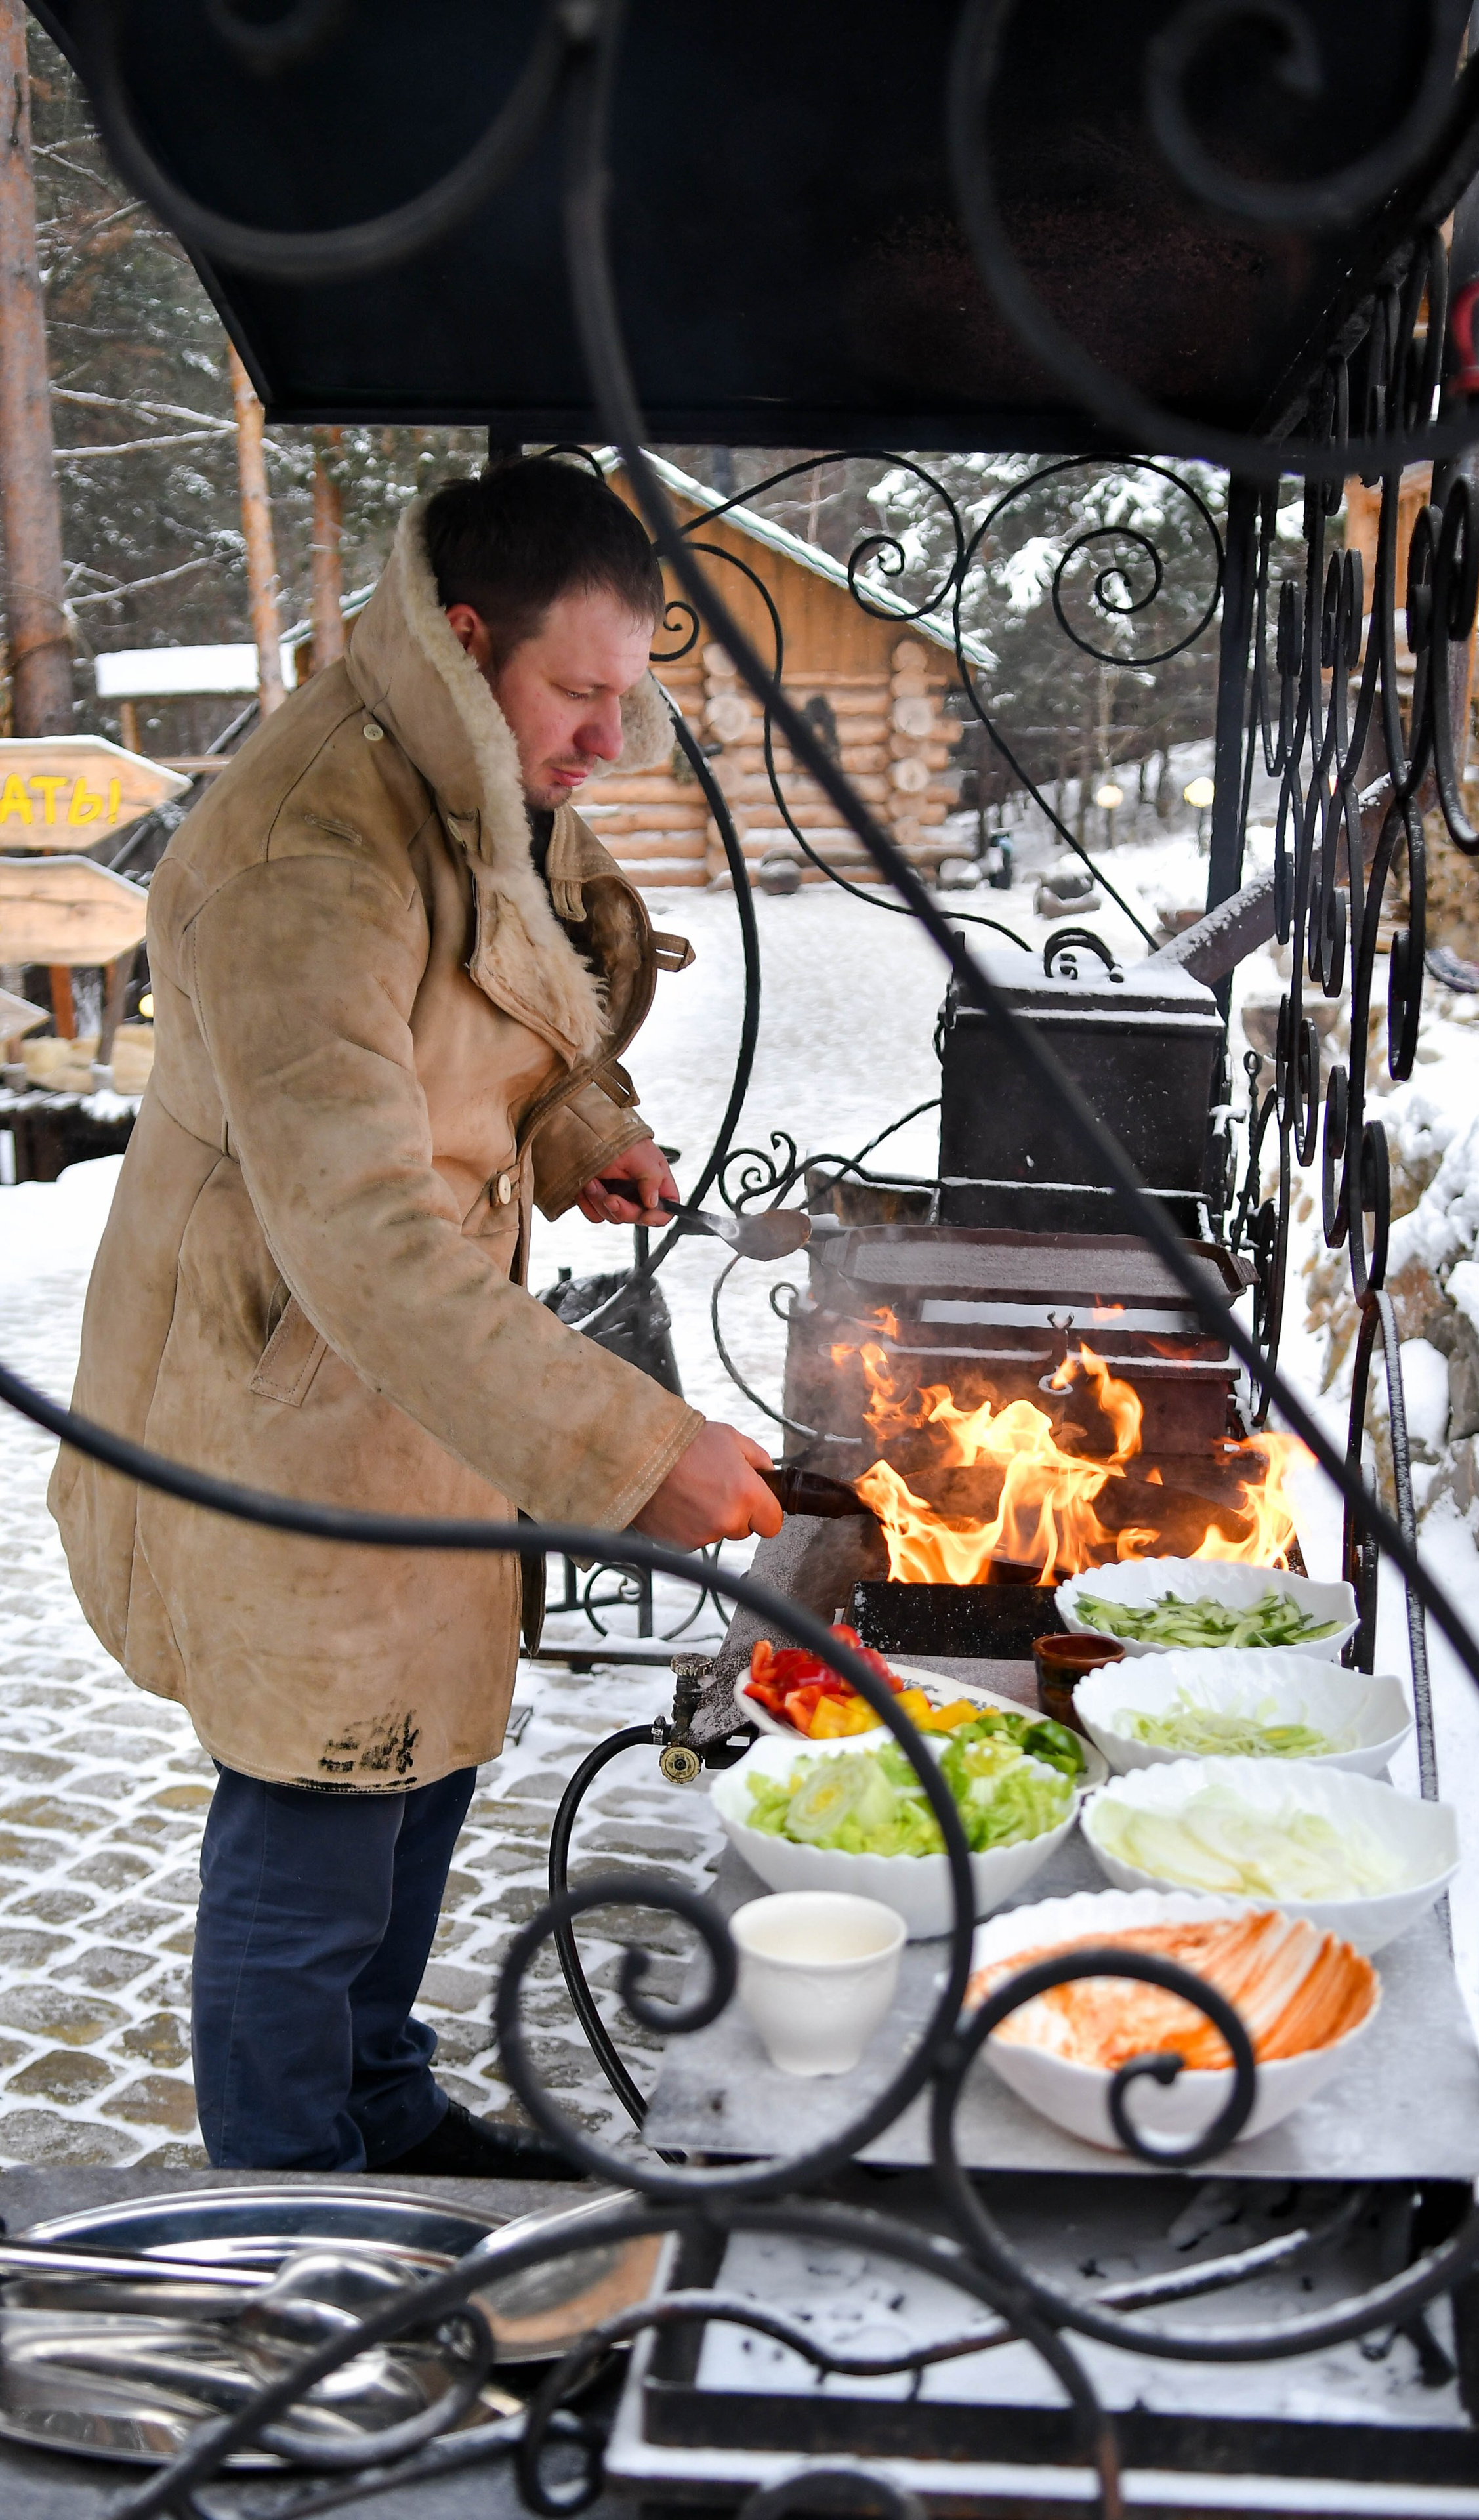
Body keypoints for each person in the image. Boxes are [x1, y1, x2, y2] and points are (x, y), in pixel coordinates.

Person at [50, 457, 783, 2176]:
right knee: (319, 1811)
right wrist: (637, 1447)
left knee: (420, 1774)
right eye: (581, 695)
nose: (611, 740)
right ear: (468, 639)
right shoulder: (312, 846)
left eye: (630, 695)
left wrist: (579, 1129)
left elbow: (485, 1013)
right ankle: (292, 2225)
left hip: (429, 1391)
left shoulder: (466, 764)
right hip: (285, 1396)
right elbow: (359, 1234)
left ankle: (385, 2115)